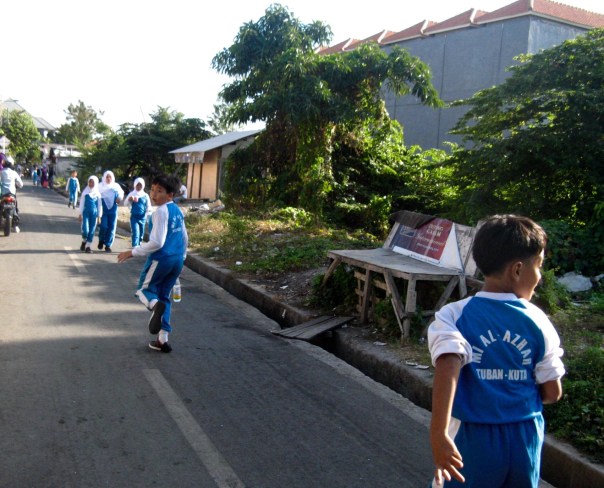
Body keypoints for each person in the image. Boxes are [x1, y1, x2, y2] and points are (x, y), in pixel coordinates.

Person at [427, 214, 566, 488]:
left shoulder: (454, 315)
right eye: (538, 266)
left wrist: (438, 433)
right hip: (525, 436)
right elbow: (552, 392)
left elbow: (448, 362)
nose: (539, 277)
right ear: (517, 270)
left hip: (474, 436)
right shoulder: (539, 321)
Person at [117, 174, 188, 353]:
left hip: (161, 259)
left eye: (159, 191)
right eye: (153, 190)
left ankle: (154, 306)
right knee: (164, 297)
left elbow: (157, 242)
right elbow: (184, 236)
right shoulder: (177, 210)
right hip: (177, 259)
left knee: (144, 291)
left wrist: (132, 252)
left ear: (170, 195)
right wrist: (182, 257)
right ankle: (162, 339)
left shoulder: (161, 212)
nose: (154, 194)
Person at [97, 170, 124, 252]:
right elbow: (95, 194)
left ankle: (108, 245)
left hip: (113, 210)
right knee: (103, 226)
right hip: (103, 210)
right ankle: (101, 240)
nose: (108, 179)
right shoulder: (100, 186)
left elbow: (121, 193)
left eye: (110, 177)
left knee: (112, 227)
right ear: (104, 178)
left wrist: (119, 198)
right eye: (107, 177)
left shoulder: (116, 186)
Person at [124, 177, 151, 247]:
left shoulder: (145, 195)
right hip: (134, 217)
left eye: (140, 185)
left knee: (141, 234)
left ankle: (139, 245)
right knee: (136, 233)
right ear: (135, 185)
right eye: (137, 185)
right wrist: (130, 200)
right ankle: (135, 247)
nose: (139, 187)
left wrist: (148, 214)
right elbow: (125, 203)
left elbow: (149, 206)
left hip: (143, 218)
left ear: (143, 186)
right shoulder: (132, 194)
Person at [78, 176, 103, 253]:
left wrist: (99, 216)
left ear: (96, 183)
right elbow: (81, 203)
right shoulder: (85, 193)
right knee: (85, 230)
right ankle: (84, 241)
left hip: (94, 214)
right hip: (86, 213)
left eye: (93, 182)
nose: (91, 184)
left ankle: (88, 246)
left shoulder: (98, 194)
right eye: (90, 182)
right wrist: (80, 214)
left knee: (92, 230)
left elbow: (99, 205)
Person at [0, 157, 24, 232]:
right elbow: (21, 184)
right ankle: (15, 226)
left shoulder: (1, 172)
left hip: (2, 194)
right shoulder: (14, 173)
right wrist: (16, 185)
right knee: (15, 208)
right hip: (12, 194)